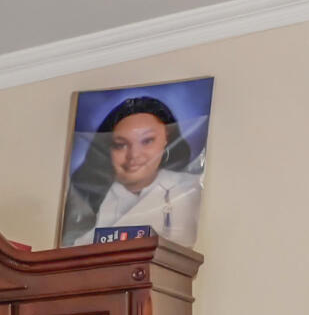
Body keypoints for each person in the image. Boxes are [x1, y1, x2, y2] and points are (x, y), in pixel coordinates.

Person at [59, 96, 204, 246]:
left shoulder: (190, 189)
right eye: (120, 145)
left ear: (167, 141)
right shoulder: (88, 200)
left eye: (147, 141)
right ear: (107, 149)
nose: (133, 155)